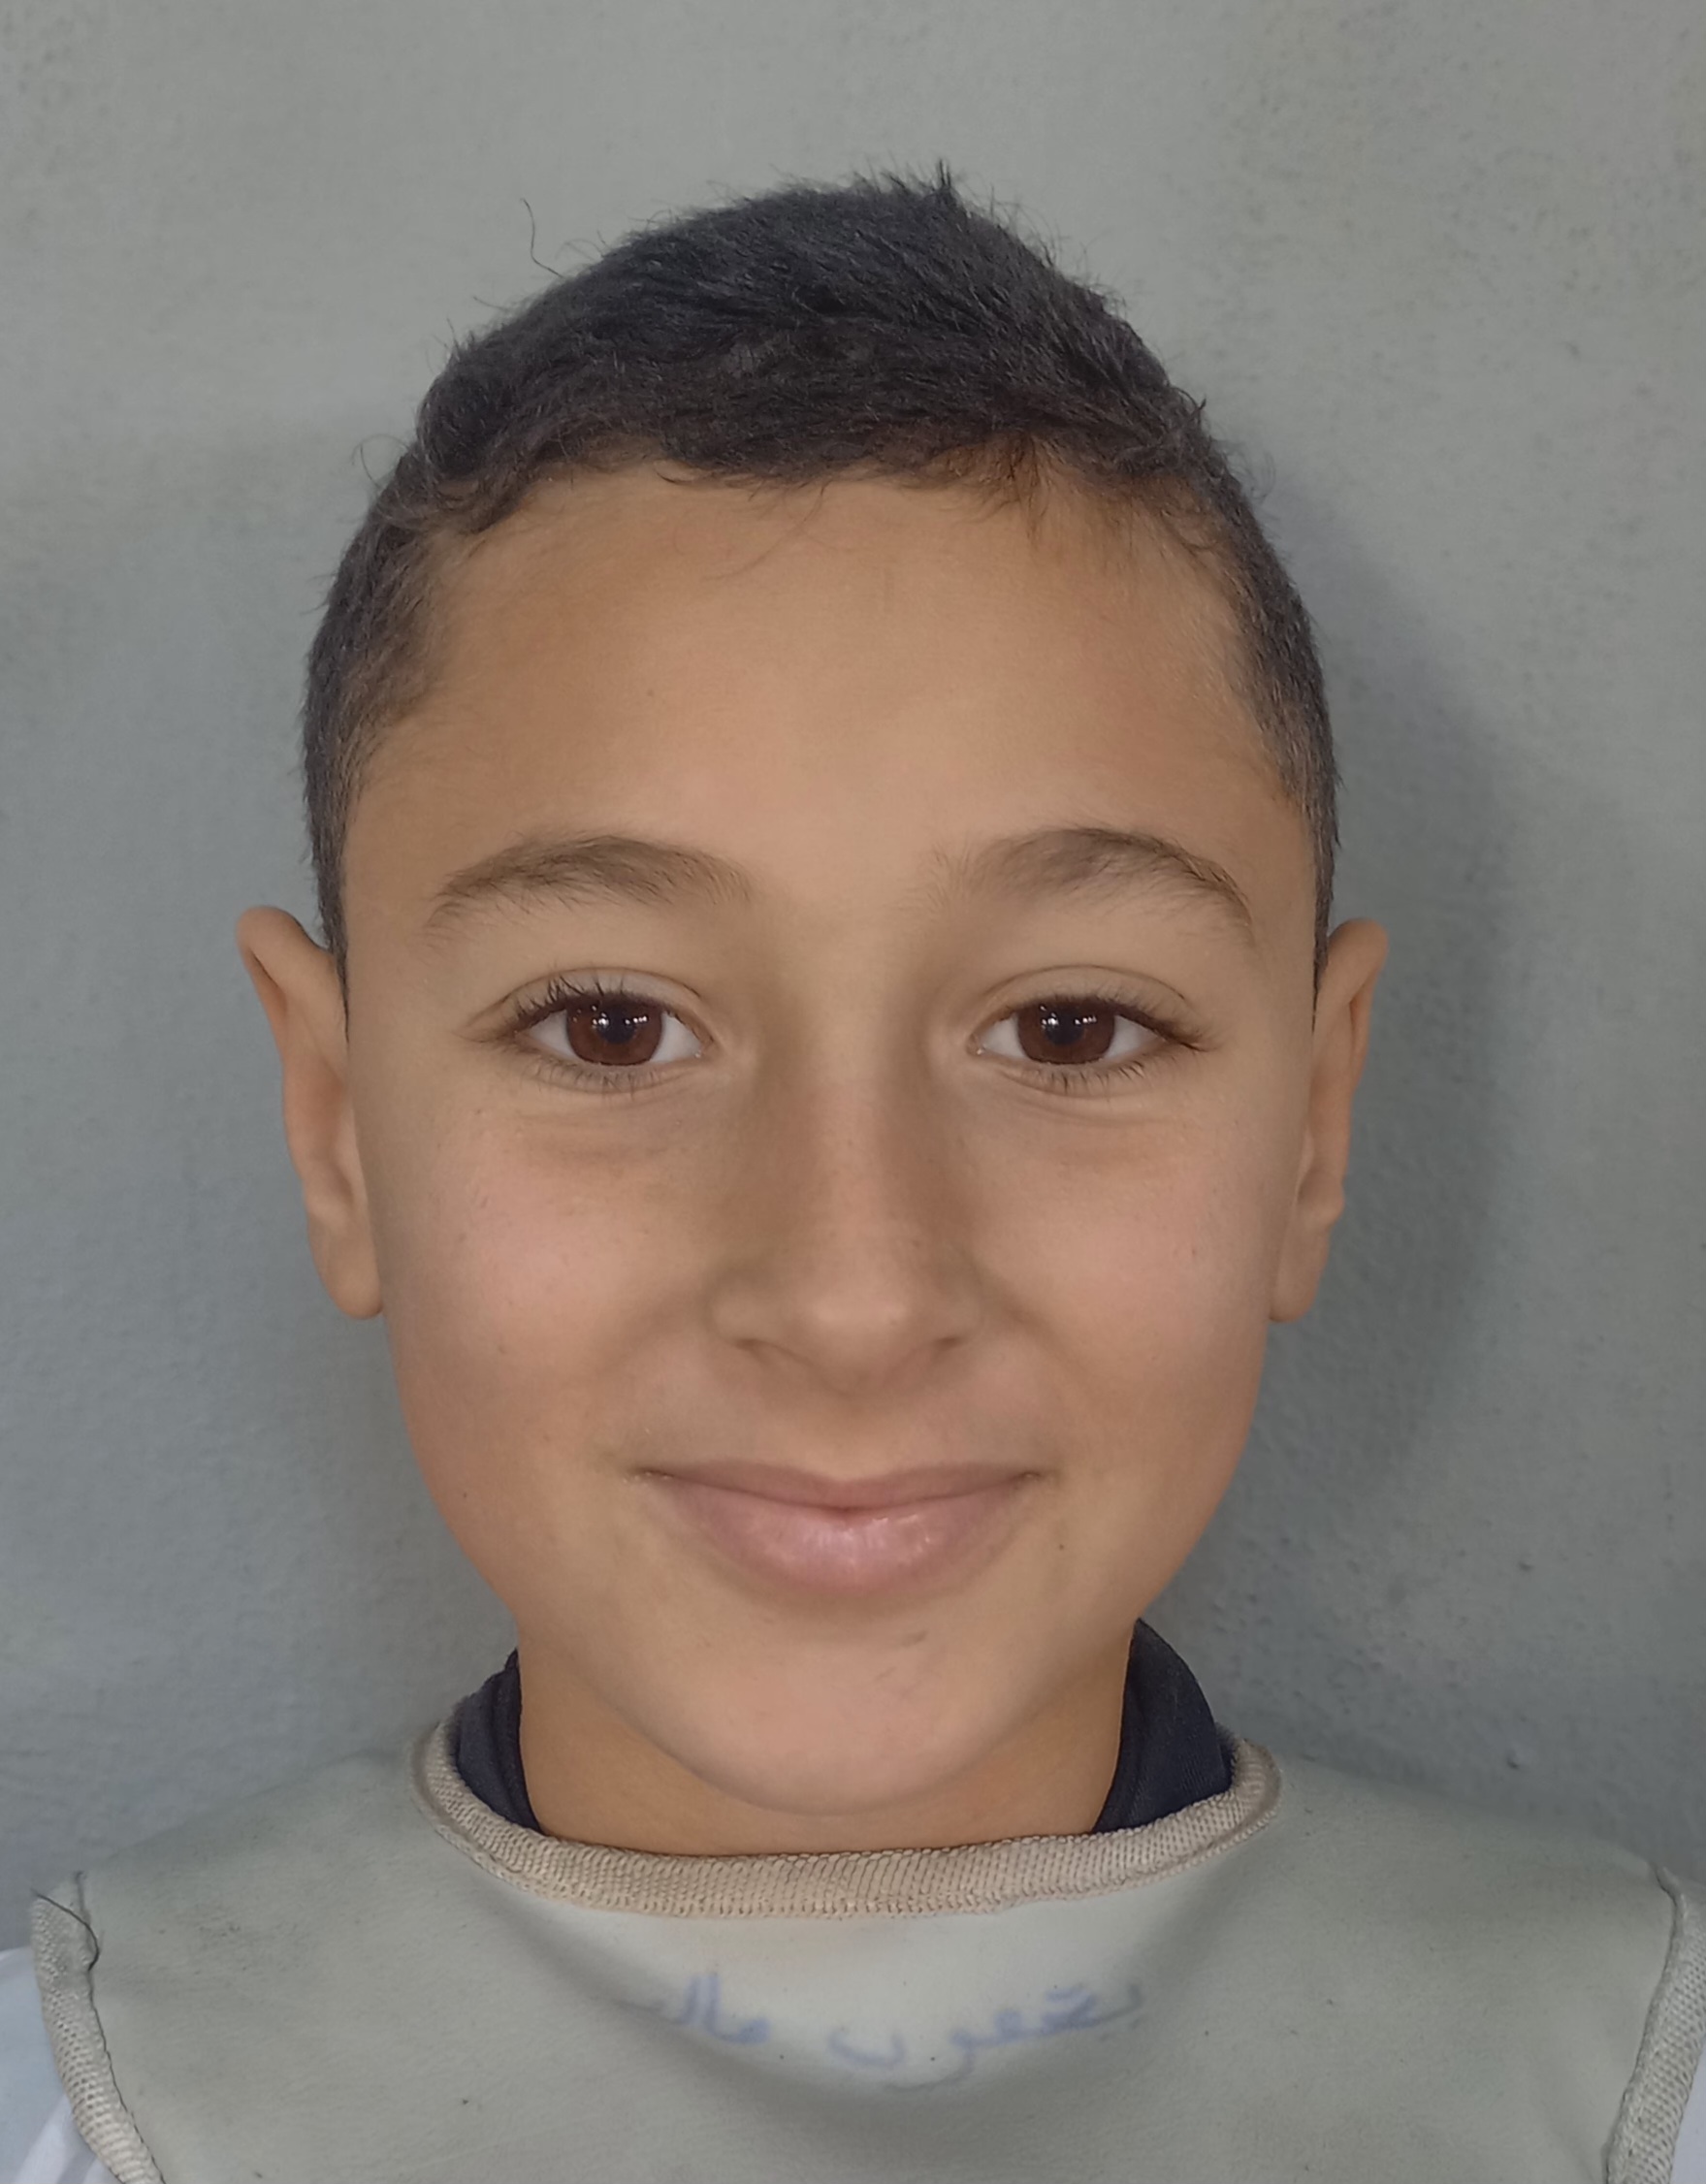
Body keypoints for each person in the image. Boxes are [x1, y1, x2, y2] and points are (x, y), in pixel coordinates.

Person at [2, 169, 1700, 2184]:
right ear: (336, 1126)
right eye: (609, 1027)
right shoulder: (90, 2102)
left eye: (1067, 1029)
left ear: (1314, 1127)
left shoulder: (1620, 2096)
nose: (853, 1293)